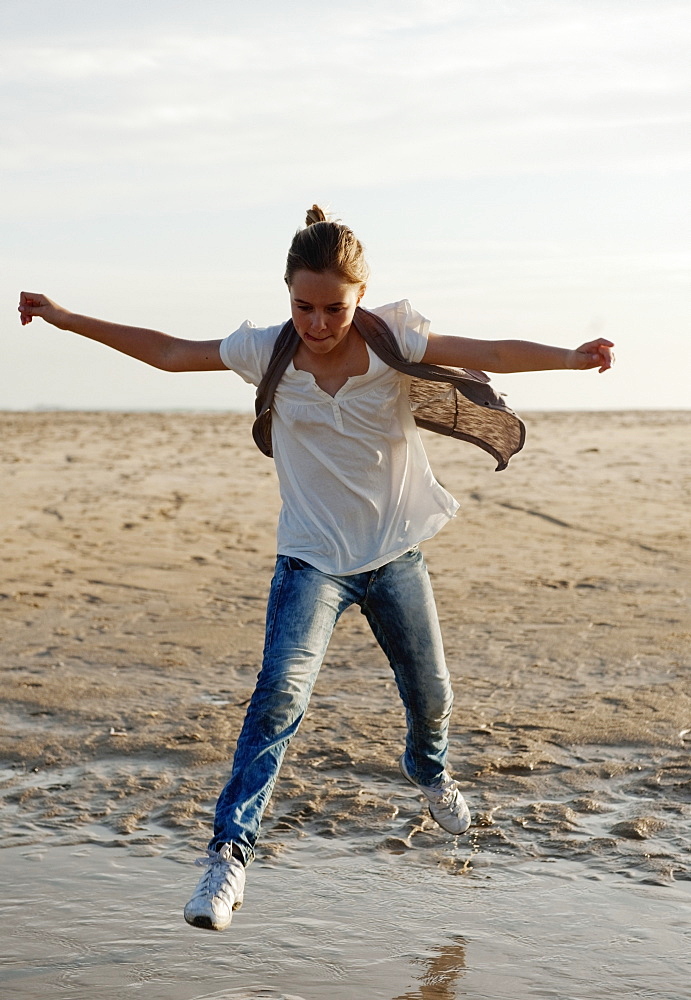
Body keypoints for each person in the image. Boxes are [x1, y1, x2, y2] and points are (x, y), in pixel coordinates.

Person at [18, 205, 614, 932]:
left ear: (359, 298)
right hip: (310, 562)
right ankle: (228, 859)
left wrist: (570, 356)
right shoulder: (267, 350)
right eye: (303, 306)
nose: (318, 323)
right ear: (287, 295)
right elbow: (170, 351)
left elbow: (487, 345)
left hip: (393, 555)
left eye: (334, 307)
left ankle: (427, 771)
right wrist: (65, 317)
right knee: (278, 698)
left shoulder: (393, 339)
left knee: (432, 699)